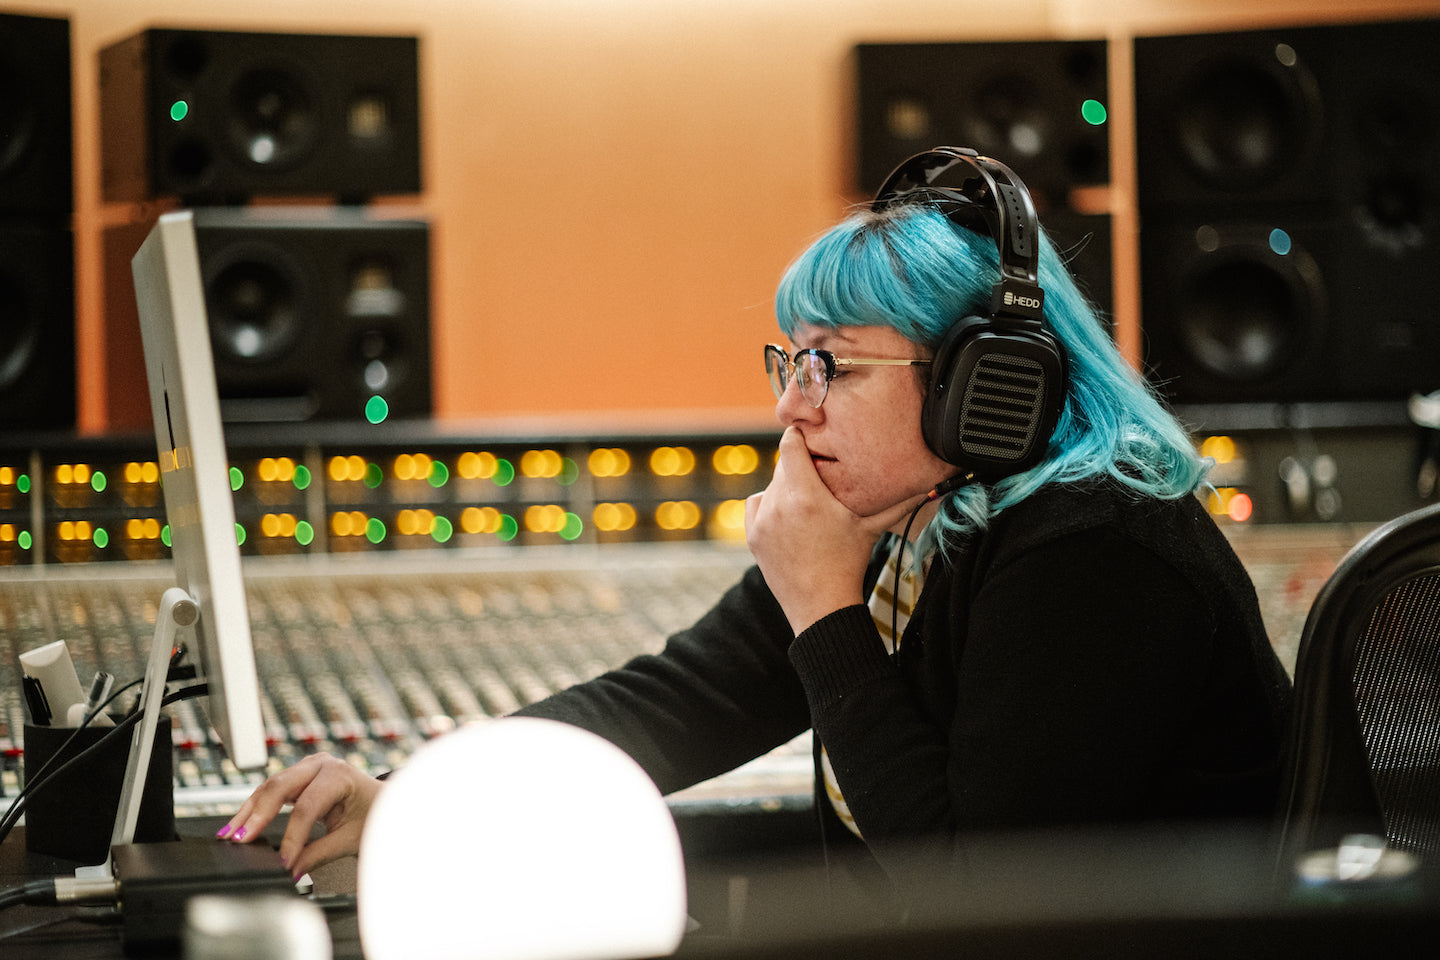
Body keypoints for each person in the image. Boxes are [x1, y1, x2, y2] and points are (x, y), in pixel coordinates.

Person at [219, 149, 1292, 916]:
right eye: (791, 360)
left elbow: (977, 898)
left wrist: (825, 607)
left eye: (833, 363)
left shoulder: (1097, 552)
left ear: (985, 385)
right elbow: (684, 697)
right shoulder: (909, 515)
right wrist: (420, 794)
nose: (793, 404)